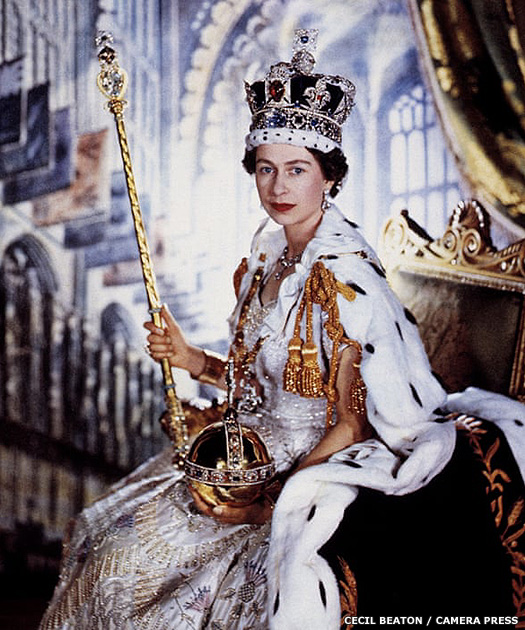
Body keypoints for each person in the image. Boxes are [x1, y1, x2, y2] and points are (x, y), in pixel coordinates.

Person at [39, 29, 524, 630]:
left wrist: (269, 499)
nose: (279, 187)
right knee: (102, 539)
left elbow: (349, 422)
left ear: (329, 177)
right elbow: (254, 379)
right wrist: (194, 360)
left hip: (309, 462)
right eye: (266, 170)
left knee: (167, 592)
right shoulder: (265, 260)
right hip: (244, 451)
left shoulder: (345, 283)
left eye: (298, 169)